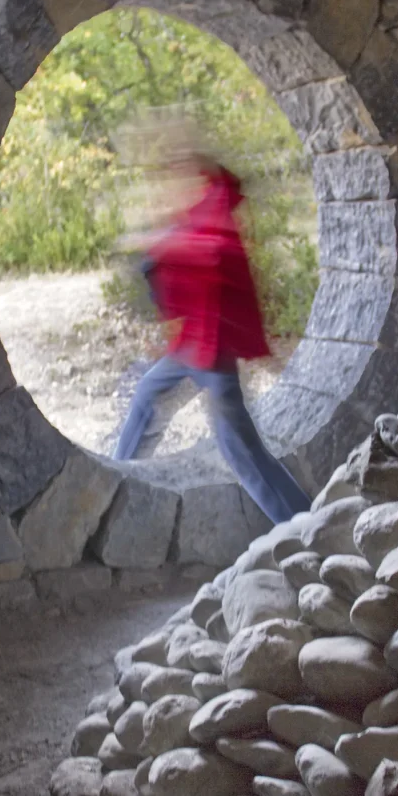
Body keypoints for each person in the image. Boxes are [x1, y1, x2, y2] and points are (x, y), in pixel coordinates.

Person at [112, 147, 311, 525]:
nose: (172, 187)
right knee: (147, 395)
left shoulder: (214, 216)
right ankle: (119, 470)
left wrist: (163, 243)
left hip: (214, 350)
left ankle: (302, 526)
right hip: (192, 345)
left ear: (201, 180)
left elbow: (210, 255)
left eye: (182, 176)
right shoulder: (198, 215)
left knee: (243, 453)